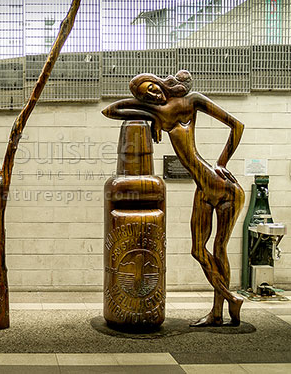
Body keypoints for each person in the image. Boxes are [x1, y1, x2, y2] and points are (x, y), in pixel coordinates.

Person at [102, 70, 245, 326]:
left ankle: (218, 310)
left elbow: (237, 125)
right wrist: (148, 113)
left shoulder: (193, 101)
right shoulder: (158, 111)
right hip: (203, 189)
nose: (153, 95)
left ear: (159, 83)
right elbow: (111, 110)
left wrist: (222, 162)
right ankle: (228, 299)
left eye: (153, 88)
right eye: (146, 95)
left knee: (219, 248)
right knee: (198, 251)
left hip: (223, 188)